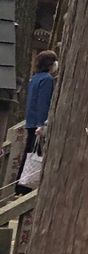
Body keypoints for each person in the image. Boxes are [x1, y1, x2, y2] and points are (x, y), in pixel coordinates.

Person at [15, 51, 56, 191]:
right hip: (39, 123)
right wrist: (42, 124)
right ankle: (27, 186)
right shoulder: (47, 79)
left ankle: (20, 185)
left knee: (29, 153)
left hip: (31, 121)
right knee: (36, 154)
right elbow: (43, 103)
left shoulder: (35, 78)